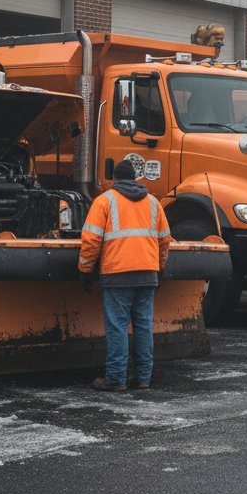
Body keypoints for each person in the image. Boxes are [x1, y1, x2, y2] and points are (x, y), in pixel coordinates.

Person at [79, 159, 171, 391]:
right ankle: (142, 378)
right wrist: (159, 268)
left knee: (118, 327)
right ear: (136, 179)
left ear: (115, 180)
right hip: (148, 274)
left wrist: (85, 270)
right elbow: (164, 240)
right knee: (143, 326)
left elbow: (91, 240)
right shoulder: (153, 203)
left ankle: (116, 379)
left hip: (117, 273)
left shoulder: (104, 201)